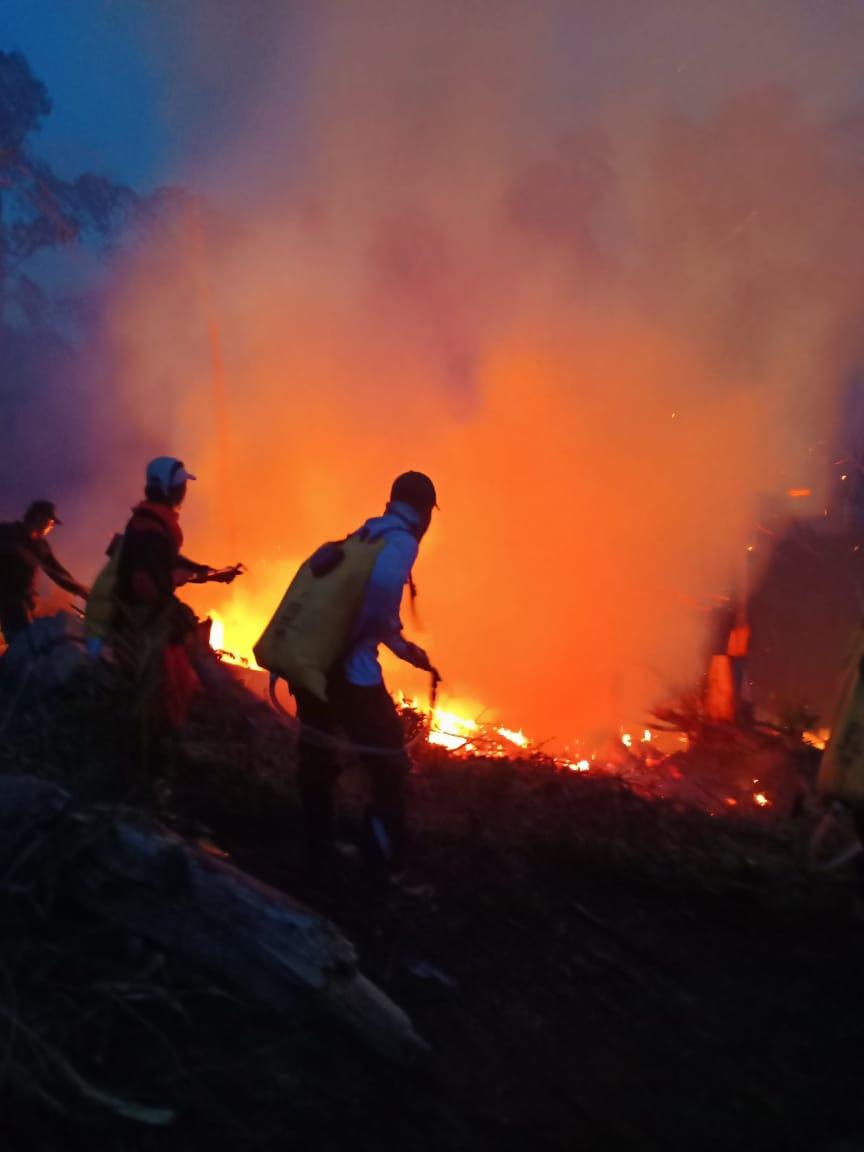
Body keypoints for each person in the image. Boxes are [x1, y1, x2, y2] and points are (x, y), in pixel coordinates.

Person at [292, 471, 439, 878]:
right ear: (425, 512)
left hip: (313, 661)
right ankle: (381, 867)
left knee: (317, 758)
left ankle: (315, 852)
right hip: (351, 673)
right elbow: (378, 598)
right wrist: (377, 639)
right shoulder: (402, 542)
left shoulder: (369, 531)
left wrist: (404, 650)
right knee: (391, 764)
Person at [113, 457, 242, 730]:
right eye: (181, 486)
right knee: (163, 690)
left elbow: (168, 561)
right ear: (168, 488)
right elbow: (145, 582)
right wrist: (172, 588)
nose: (184, 491)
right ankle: (160, 740)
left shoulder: (152, 522)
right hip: (144, 621)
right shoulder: (151, 528)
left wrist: (212, 573)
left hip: (145, 614)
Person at [0, 501, 89, 643]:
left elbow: (57, 573)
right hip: (9, 601)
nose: (51, 526)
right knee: (23, 643)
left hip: (27, 602)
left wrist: (81, 590)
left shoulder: (41, 546)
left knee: (34, 641)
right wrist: (15, 550)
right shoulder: (7, 532)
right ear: (39, 516)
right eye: (51, 521)